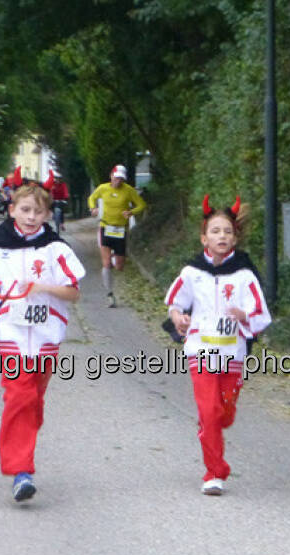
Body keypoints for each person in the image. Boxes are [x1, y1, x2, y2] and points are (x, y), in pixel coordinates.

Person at [0, 180, 85, 502]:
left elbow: (74, 293)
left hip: (47, 335)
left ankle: (23, 449)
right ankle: (21, 471)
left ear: (48, 215)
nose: (31, 216)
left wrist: (44, 287)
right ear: (11, 211)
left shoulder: (56, 250)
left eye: (38, 211)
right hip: (10, 332)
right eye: (25, 210)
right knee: (19, 393)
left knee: (32, 399)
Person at [164, 196, 272, 495]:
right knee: (209, 412)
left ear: (235, 237)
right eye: (215, 231)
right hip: (200, 350)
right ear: (204, 237)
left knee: (224, 413)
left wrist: (243, 315)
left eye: (227, 231)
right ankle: (214, 471)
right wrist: (178, 317)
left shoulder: (244, 274)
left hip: (232, 354)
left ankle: (215, 431)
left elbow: (262, 315)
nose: (221, 236)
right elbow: (175, 302)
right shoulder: (192, 272)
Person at [87, 164, 146, 307]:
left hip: (120, 230)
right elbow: (91, 198)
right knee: (106, 264)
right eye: (116, 177)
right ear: (111, 176)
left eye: (121, 179)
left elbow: (141, 205)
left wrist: (131, 212)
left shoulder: (129, 191)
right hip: (105, 227)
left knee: (119, 266)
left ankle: (115, 258)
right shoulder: (103, 188)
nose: (118, 181)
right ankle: (110, 294)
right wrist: (93, 208)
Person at [42, 168, 70, 234]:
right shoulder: (53, 185)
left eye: (59, 179)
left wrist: (66, 197)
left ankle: (62, 224)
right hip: (53, 200)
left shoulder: (63, 185)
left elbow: (65, 191)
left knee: (61, 210)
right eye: (56, 179)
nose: (58, 180)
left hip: (61, 200)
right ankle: (50, 219)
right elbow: (50, 192)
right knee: (50, 207)